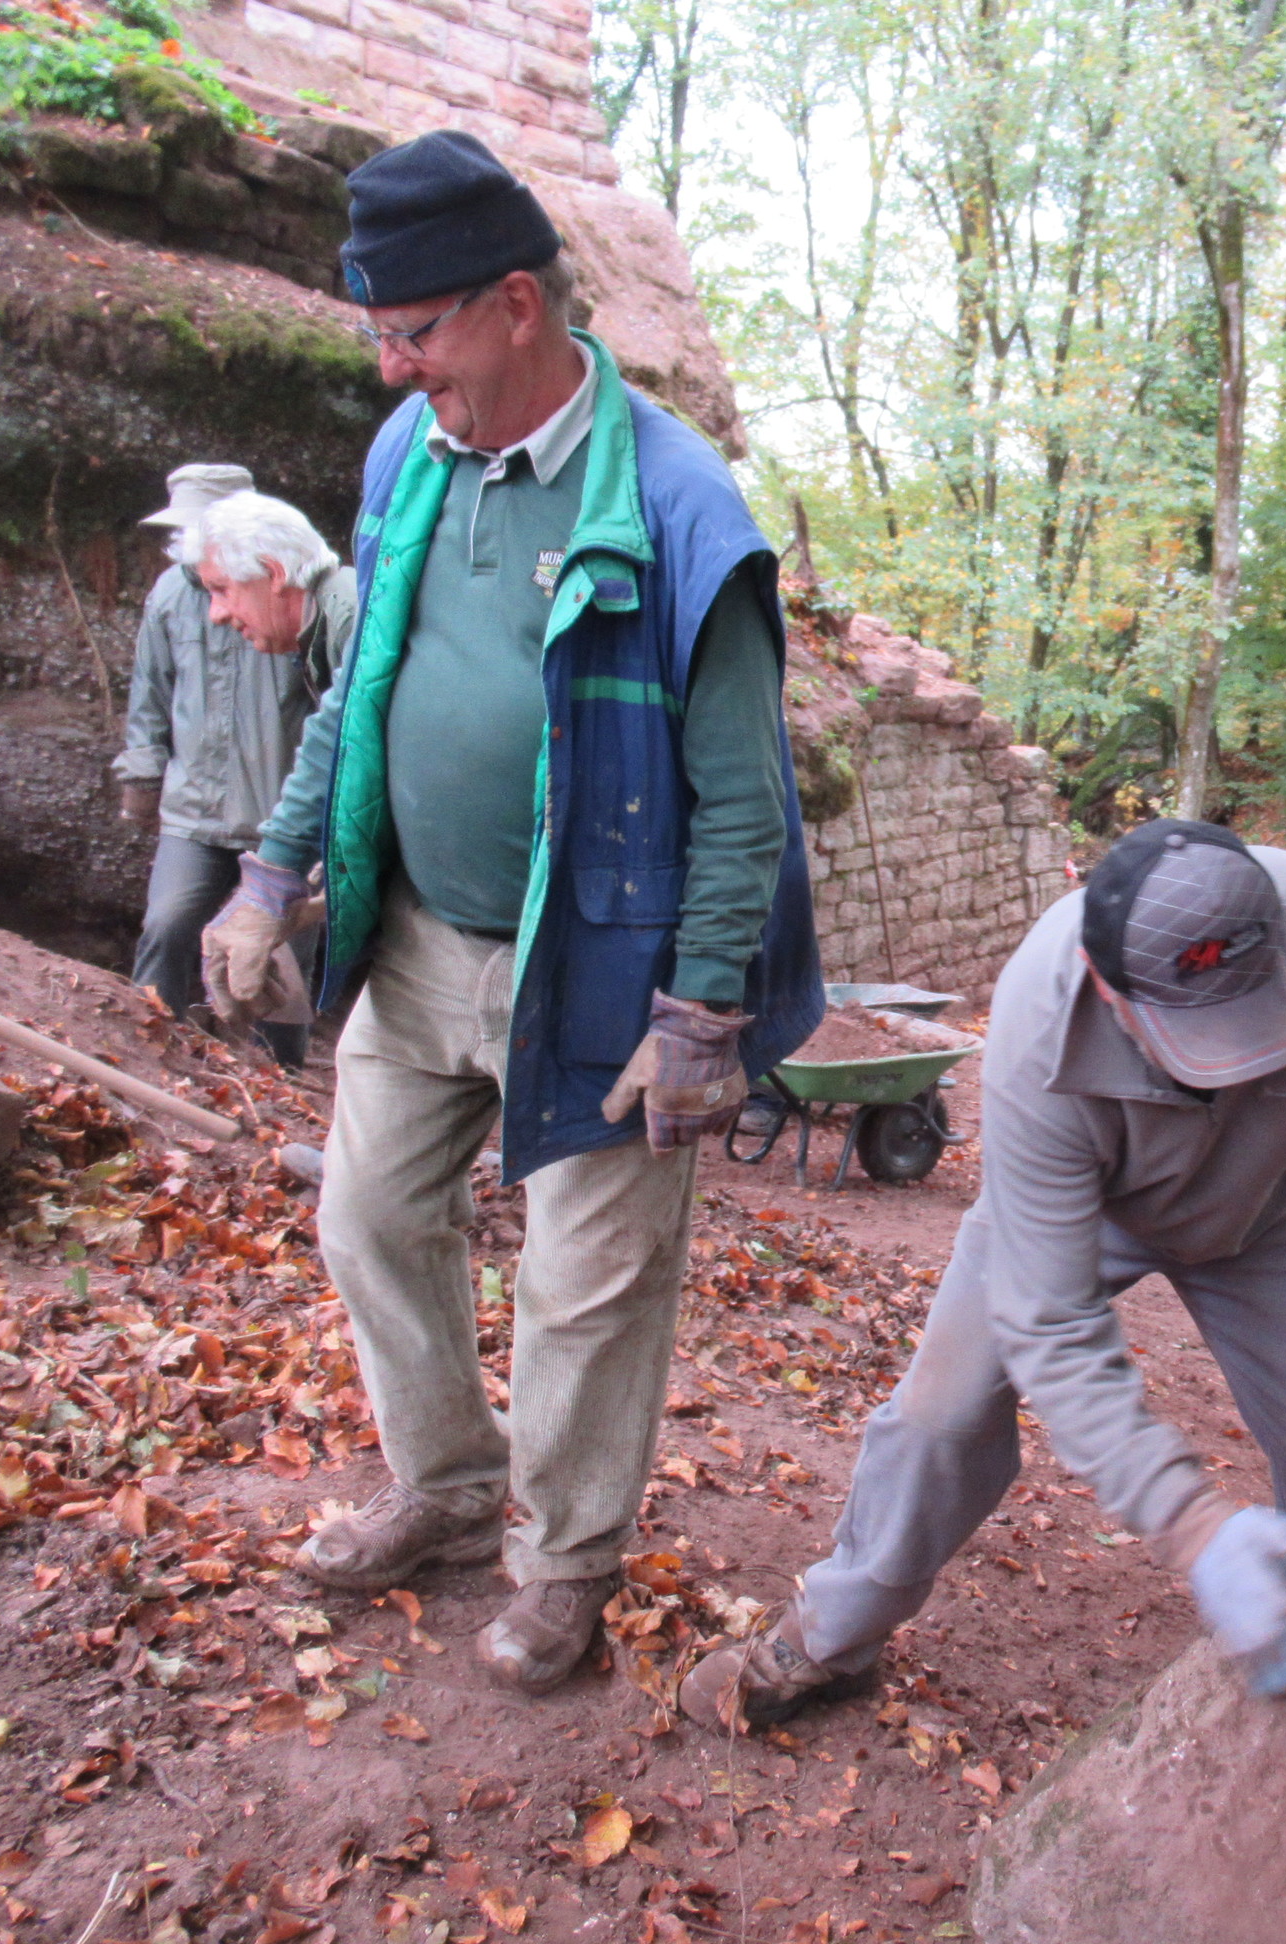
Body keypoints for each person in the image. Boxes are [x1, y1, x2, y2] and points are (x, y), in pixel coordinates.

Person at [200, 131, 824, 1693]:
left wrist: (705, 1010)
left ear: (519, 304)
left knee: (584, 1290)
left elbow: (746, 796)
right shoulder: (410, 457)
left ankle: (562, 1566)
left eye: (414, 333)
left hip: (604, 968)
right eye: (380, 336)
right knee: (367, 1216)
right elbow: (359, 692)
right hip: (419, 939)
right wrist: (273, 874)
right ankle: (448, 1484)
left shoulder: (677, 507)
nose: (394, 369)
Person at [684, 818, 1286, 1728]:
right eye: (1193, 1039)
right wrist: (1194, 1529)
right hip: (1077, 1213)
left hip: (1272, 1207)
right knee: (938, 1419)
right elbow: (1051, 1322)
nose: (1221, 1072)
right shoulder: (1038, 1021)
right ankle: (829, 1640)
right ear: (1106, 984)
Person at [112, 463, 338, 1067]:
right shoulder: (169, 595)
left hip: (279, 815)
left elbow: (335, 709)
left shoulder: (293, 599)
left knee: (283, 954)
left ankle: (281, 1073)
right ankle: (151, 1051)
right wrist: (142, 771)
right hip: (195, 811)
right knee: (166, 925)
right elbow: (150, 691)